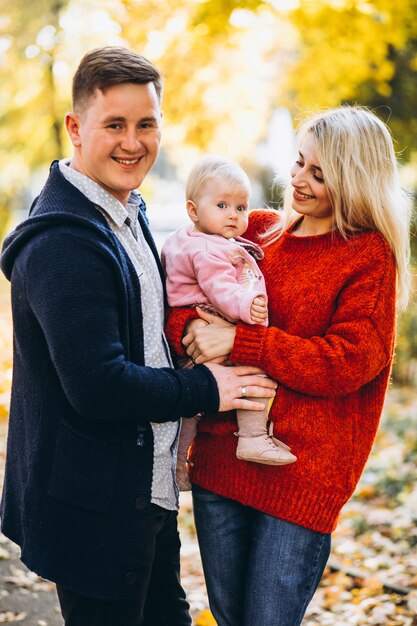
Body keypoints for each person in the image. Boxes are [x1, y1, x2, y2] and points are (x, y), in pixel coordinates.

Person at [0, 46, 277, 626]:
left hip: (143, 492)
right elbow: (98, 387)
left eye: (146, 124)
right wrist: (208, 388)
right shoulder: (64, 242)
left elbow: (152, 324)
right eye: (115, 125)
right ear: (76, 128)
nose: (133, 142)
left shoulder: (127, 210)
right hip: (93, 506)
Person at [165, 106, 411, 626]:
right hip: (220, 460)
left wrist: (242, 340)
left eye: (319, 174)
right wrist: (190, 329)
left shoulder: (368, 257)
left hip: (301, 476)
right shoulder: (254, 231)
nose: (298, 179)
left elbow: (347, 362)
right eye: (300, 163)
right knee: (230, 618)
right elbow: (182, 290)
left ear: (353, 181)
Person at [161, 156, 296, 490]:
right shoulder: (208, 250)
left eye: (241, 207)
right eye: (222, 205)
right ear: (193, 210)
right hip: (216, 317)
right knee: (254, 376)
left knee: (190, 411)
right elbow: (219, 287)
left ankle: (177, 466)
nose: (234, 215)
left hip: (196, 335)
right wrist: (247, 306)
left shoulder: (190, 237)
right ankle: (252, 436)